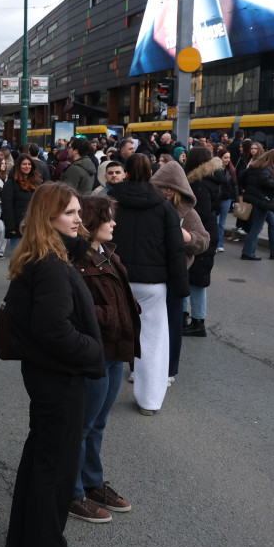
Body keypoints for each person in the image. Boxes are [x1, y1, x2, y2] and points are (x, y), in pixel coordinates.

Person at [3, 182, 104, 547]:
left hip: (47, 374)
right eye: (71, 213)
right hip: (59, 377)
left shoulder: (42, 255)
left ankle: (23, 539)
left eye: (79, 212)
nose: (80, 219)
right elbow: (52, 329)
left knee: (40, 457)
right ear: (49, 218)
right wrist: (94, 351)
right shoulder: (50, 266)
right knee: (56, 468)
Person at [69, 194, 139, 524]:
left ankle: (92, 482)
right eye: (108, 218)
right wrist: (113, 315)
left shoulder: (106, 253)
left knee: (98, 423)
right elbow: (74, 311)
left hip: (113, 351)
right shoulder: (77, 261)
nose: (114, 223)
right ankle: (73, 492)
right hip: (94, 354)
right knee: (81, 426)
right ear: (91, 222)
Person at [107, 155, 188, 414]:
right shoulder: (164, 206)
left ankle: (100, 395)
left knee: (110, 334)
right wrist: (180, 287)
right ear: (151, 173)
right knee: (153, 341)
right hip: (153, 283)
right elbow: (175, 250)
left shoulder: (110, 200)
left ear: (126, 173)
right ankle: (149, 401)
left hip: (116, 277)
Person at [150, 160, 210, 383]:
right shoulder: (148, 206)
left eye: (169, 188)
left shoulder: (189, 213)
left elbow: (204, 241)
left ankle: (168, 369)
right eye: (161, 186)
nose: (165, 191)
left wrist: (188, 238)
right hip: (149, 273)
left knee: (172, 323)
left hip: (176, 274)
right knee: (144, 321)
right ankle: (140, 365)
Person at [183, 147, 225, 337]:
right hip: (208, 231)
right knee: (192, 278)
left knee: (195, 280)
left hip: (200, 233)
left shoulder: (198, 183)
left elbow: (201, 211)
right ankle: (189, 318)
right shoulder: (212, 178)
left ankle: (197, 322)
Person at [240, 149, 274, 261]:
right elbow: (264, 179)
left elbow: (241, 175)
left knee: (273, 224)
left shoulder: (256, 165)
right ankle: (248, 252)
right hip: (263, 200)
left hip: (259, 199)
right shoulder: (266, 167)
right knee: (257, 227)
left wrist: (247, 188)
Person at [2, 154, 42, 253]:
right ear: (18, 166)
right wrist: (11, 227)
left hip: (34, 227)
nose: (27, 166)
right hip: (18, 228)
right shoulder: (10, 184)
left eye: (29, 164)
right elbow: (7, 206)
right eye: (24, 164)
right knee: (18, 260)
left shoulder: (36, 183)